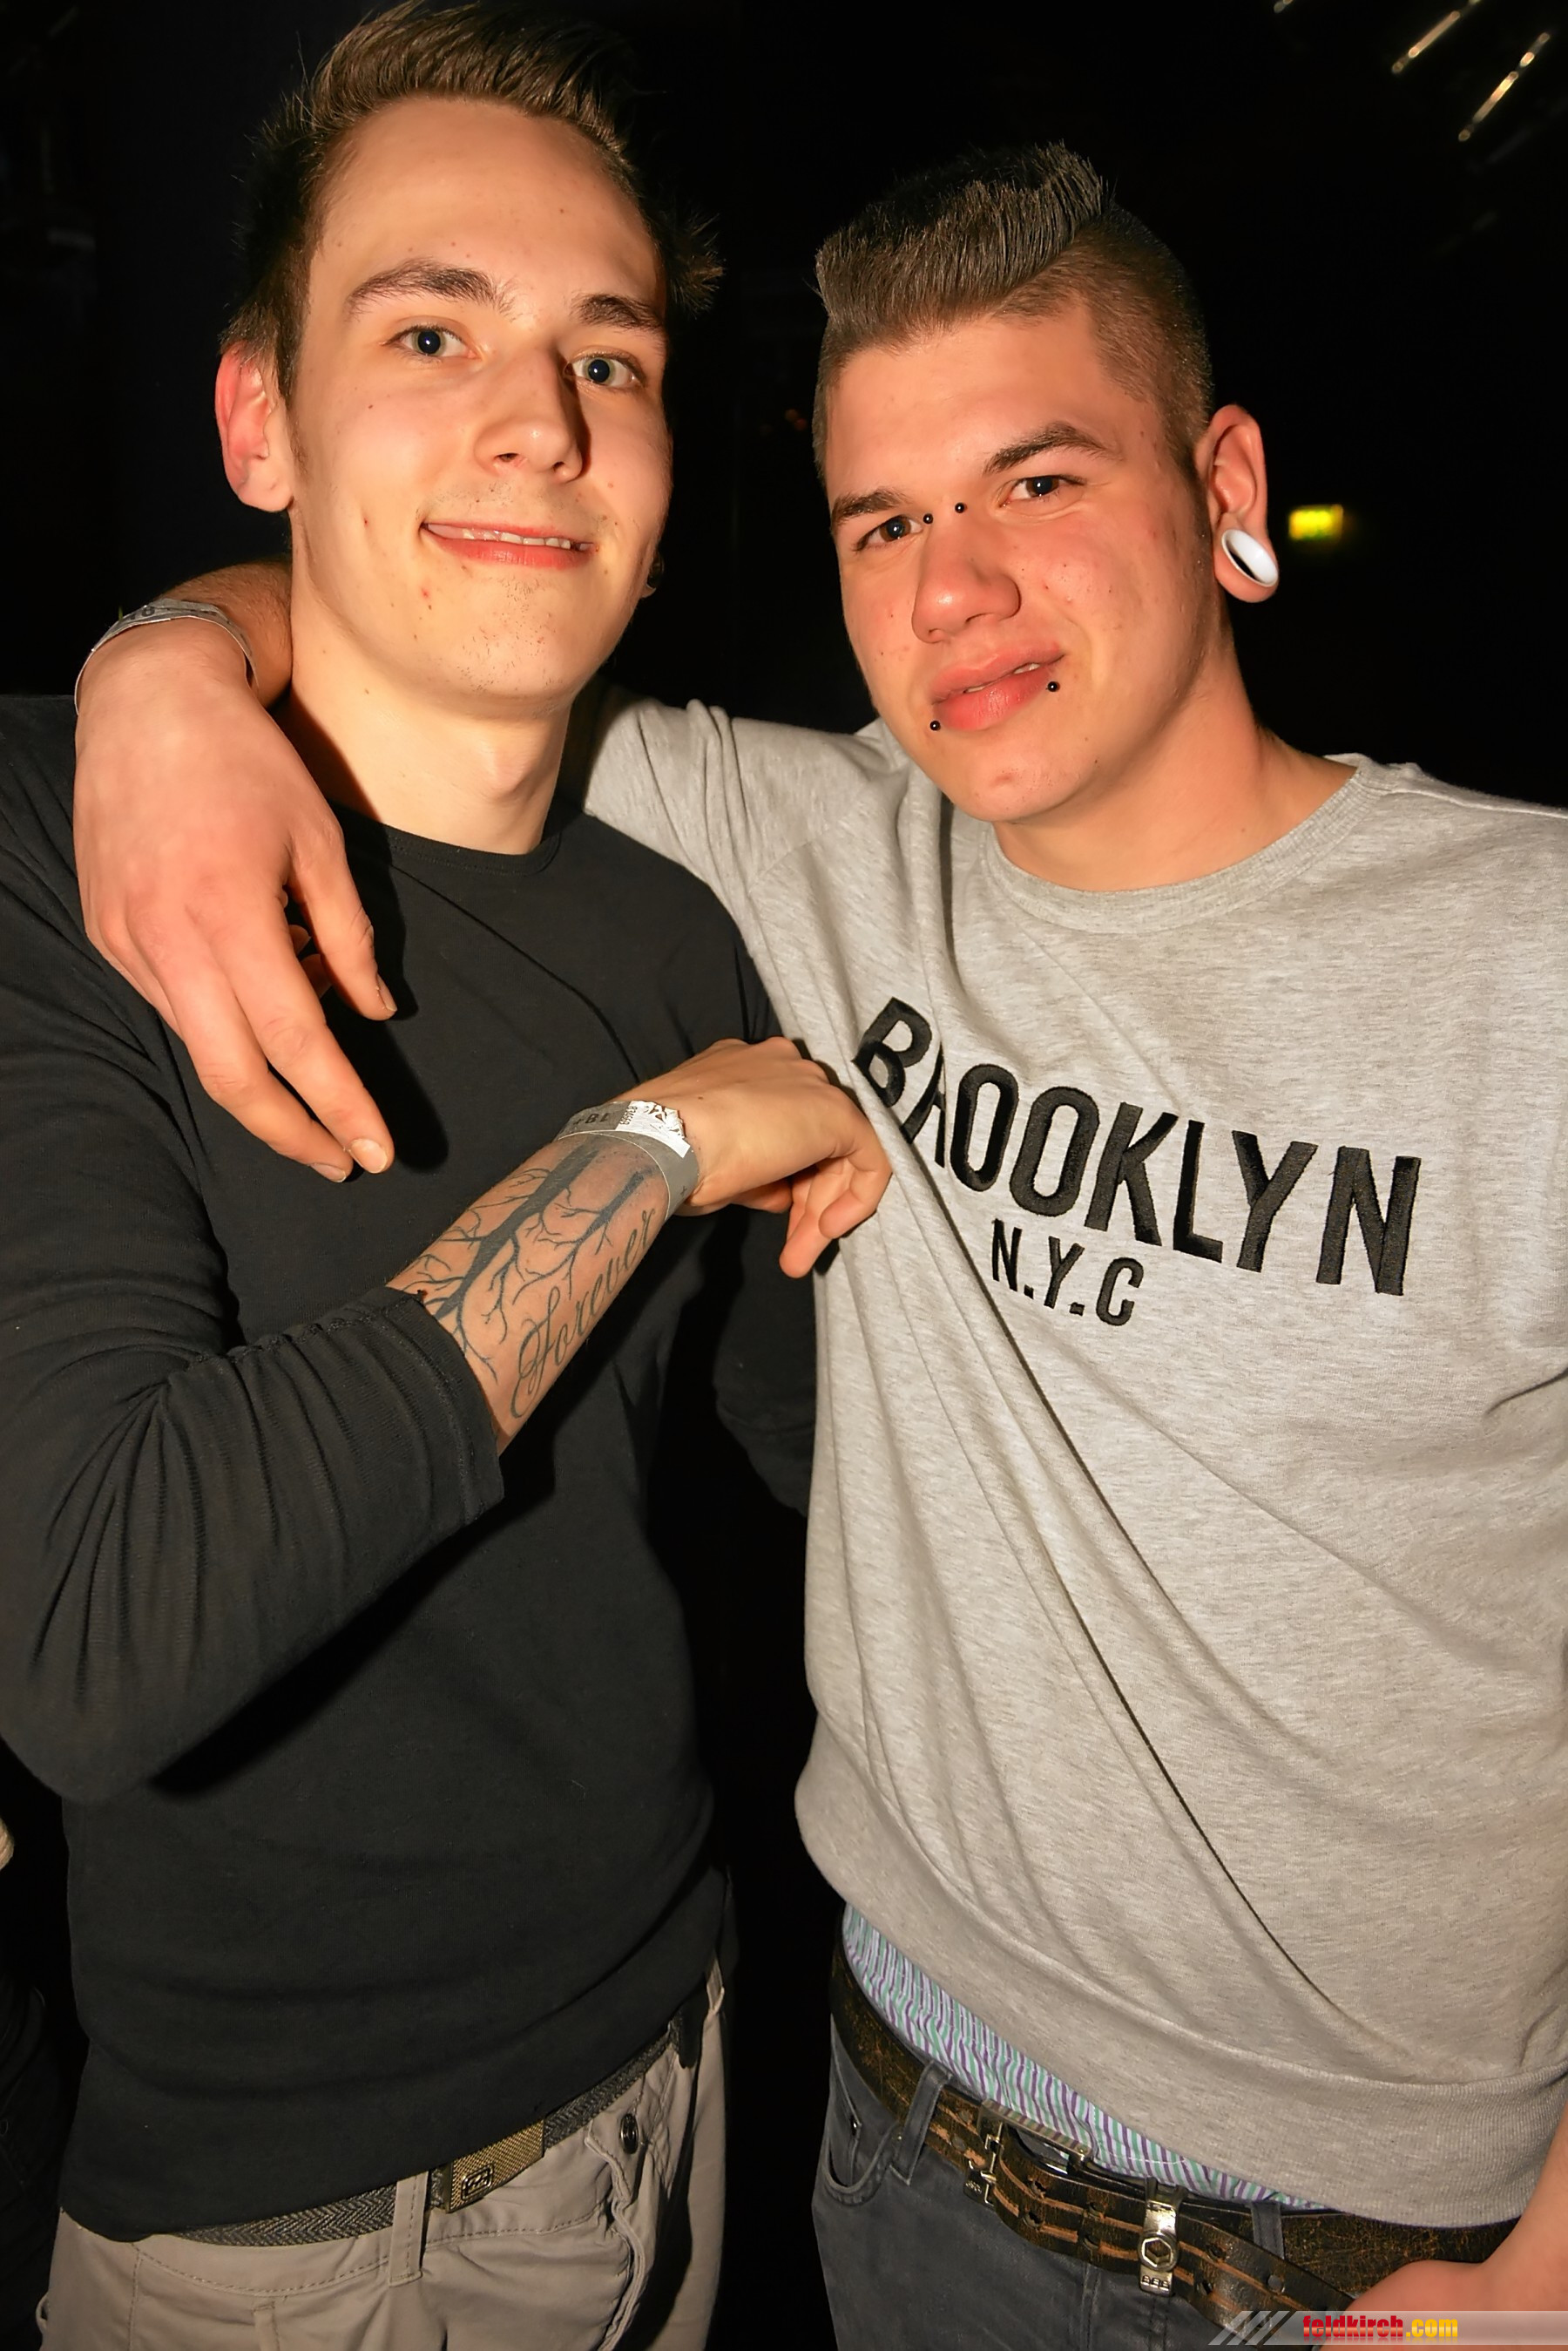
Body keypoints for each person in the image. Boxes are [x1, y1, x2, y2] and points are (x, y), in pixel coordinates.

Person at [72, 124, 1568, 2348]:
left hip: (1383, 2237)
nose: (953, 591)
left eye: (1036, 481)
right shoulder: (803, 838)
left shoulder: (1528, 951)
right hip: (893, 2146)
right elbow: (431, 609)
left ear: (1225, 484)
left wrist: (1549, 2278)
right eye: (886, 521)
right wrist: (166, 674)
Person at [0, 8, 890, 2346]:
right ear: (256, 425)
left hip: (687, 2057)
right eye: (429, 331)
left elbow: (813, 1466)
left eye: (611, 356)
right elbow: (92, 1638)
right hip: (302, 2230)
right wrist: (653, 1146)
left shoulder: (674, 923)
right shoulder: (50, 851)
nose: (542, 421)